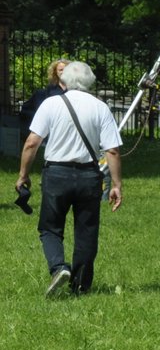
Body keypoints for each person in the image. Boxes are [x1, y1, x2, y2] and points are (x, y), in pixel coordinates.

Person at [15, 61, 123, 297]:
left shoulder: (51, 104)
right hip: (89, 175)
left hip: (56, 174)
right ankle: (81, 286)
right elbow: (112, 150)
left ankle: (59, 268)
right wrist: (116, 184)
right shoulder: (100, 107)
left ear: (63, 80)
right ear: (90, 81)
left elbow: (32, 142)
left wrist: (23, 175)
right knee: (87, 231)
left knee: (50, 228)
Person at [18, 57, 68, 129]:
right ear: (55, 73)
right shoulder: (43, 94)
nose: (63, 72)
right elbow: (25, 112)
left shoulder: (77, 92)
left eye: (66, 70)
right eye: (60, 70)